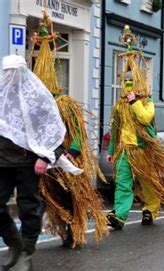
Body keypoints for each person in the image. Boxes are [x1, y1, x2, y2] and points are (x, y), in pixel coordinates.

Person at [106, 25, 164, 230]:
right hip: (124, 151)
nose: (128, 86)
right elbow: (115, 128)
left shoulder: (146, 103)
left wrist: (134, 102)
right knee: (122, 184)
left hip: (142, 150)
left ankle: (151, 208)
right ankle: (120, 216)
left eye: (131, 83)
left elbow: (145, 118)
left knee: (147, 181)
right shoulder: (119, 106)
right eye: (126, 83)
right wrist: (112, 150)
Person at [32, 9, 108, 249]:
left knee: (68, 195)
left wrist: (72, 153)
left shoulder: (65, 105)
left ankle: (74, 228)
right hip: (43, 161)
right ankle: (62, 227)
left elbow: (78, 133)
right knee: (49, 197)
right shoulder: (34, 108)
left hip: (64, 158)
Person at [0, 54, 66, 270]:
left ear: (22, 72)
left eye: (14, 72)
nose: (11, 76)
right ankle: (15, 244)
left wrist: (46, 157)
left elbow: (55, 130)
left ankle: (26, 253)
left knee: (29, 207)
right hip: (2, 162)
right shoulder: (1, 96)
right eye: (7, 72)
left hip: (28, 162)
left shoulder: (37, 97)